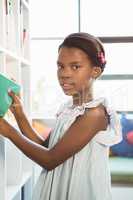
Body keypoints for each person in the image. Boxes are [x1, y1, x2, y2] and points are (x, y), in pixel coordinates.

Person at [0, 32, 122, 200]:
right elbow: (46, 146)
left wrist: (8, 131)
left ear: (95, 71)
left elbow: (49, 160)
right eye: (60, 66)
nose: (64, 74)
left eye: (75, 66)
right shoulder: (68, 109)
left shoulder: (94, 114)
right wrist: (19, 114)